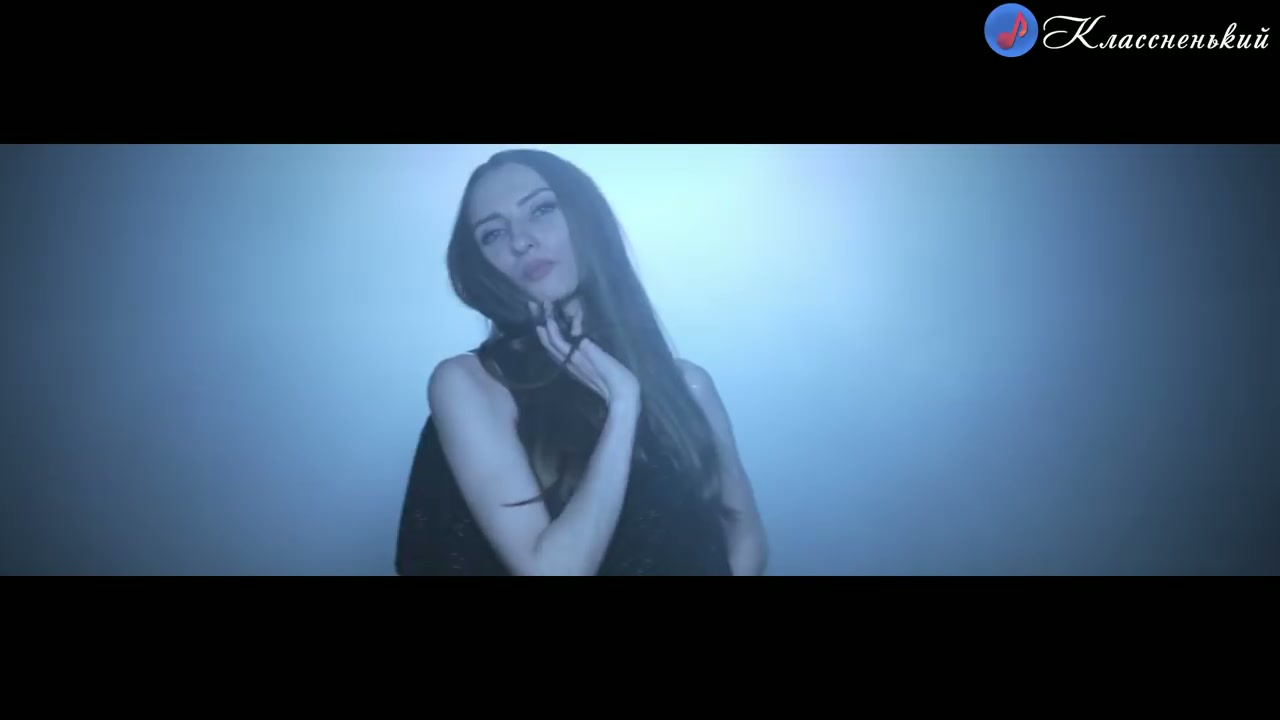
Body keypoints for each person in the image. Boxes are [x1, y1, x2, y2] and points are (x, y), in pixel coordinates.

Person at [394, 148, 768, 576]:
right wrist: (622, 406)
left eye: (542, 210)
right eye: (493, 234)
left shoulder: (688, 385)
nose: (520, 240)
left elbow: (746, 540)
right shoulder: (471, 384)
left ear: (585, 216)